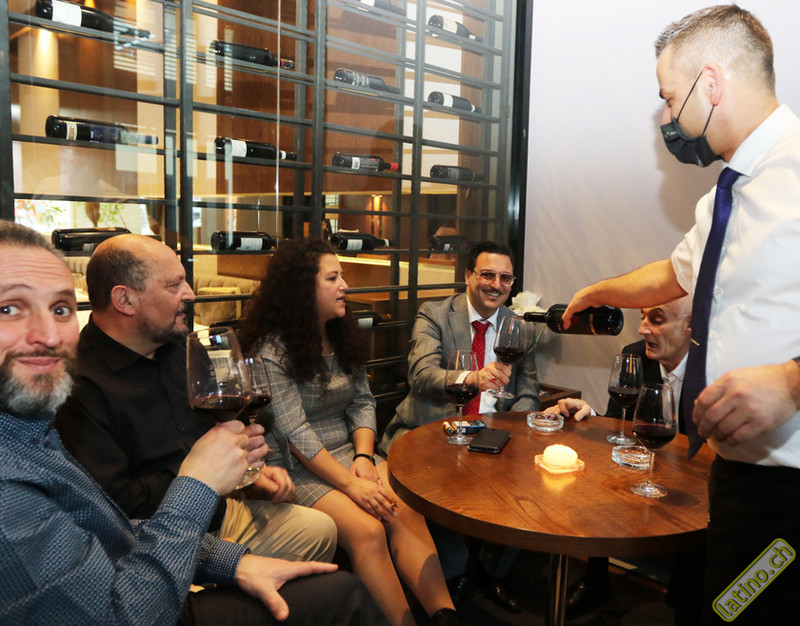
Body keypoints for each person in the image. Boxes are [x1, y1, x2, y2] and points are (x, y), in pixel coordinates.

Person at [0, 220, 387, 625]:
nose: (48, 334)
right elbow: (122, 517)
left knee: (320, 536)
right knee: (343, 595)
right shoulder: (72, 393)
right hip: (158, 557)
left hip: (207, 518)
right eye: (9, 309)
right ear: (124, 300)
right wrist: (199, 480)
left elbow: (112, 528)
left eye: (61, 310)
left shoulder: (176, 352)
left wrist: (243, 482)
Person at [561, 6, 800, 623]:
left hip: (791, 493)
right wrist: (600, 292)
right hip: (740, 478)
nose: (668, 118)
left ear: (711, 83)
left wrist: (793, 382)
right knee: (725, 610)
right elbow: (675, 272)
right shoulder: (730, 190)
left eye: (669, 98)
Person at [55, 234, 337, 564]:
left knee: (321, 530)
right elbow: (114, 502)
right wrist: (209, 475)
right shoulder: (76, 387)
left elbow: (221, 425)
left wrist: (248, 476)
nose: (190, 293)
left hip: (219, 511)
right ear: (125, 300)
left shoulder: (182, 349)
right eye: (174, 285)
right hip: (150, 536)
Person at [238, 238, 462, 626]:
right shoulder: (271, 351)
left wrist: (363, 458)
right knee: (367, 530)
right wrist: (351, 484)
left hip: (348, 454)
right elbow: (296, 433)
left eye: (342, 276)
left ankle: (446, 617)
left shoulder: (340, 332)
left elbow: (363, 402)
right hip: (297, 467)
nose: (344, 285)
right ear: (302, 288)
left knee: (404, 508)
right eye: (333, 278)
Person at [379, 240, 540, 613]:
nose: (496, 285)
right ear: (468, 275)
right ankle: (457, 574)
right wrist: (473, 378)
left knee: (535, 488)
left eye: (505, 278)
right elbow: (421, 375)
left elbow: (528, 394)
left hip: (493, 435)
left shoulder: (520, 328)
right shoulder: (435, 314)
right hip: (430, 432)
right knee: (449, 487)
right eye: (487, 274)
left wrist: (515, 435)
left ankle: (484, 570)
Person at [547, 297, 702, 623]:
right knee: (600, 478)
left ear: (691, 326)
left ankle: (686, 608)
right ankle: (596, 579)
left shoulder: (713, 368)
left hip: (695, 482)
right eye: (642, 317)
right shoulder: (635, 356)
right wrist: (590, 415)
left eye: (656, 319)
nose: (643, 329)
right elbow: (618, 428)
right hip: (644, 471)